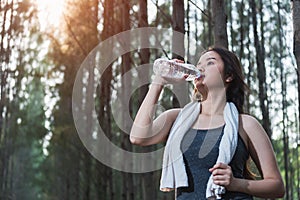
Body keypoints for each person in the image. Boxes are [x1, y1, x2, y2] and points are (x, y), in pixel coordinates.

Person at [130, 47, 285, 199]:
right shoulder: (177, 119)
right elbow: (138, 137)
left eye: (210, 63)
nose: (200, 68)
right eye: (198, 65)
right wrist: (159, 81)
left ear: (228, 76)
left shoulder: (245, 124)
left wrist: (236, 184)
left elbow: (277, 186)